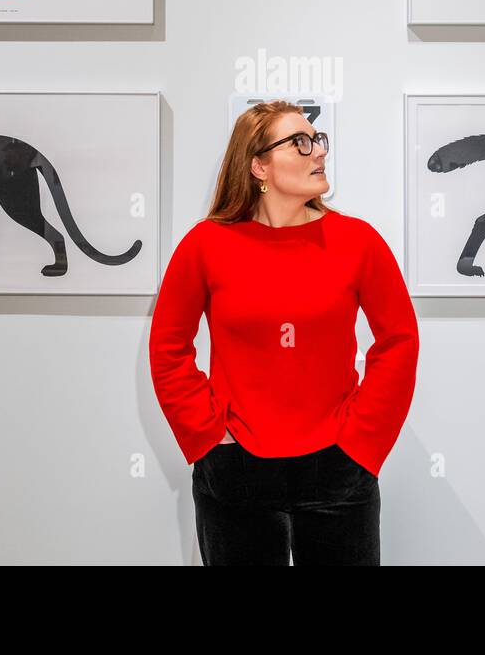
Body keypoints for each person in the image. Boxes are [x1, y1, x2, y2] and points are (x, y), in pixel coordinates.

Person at [148, 100, 419, 565]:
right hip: (237, 472)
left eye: (318, 141)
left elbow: (398, 341)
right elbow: (168, 347)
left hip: (338, 469)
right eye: (301, 143)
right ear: (258, 165)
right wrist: (209, 439)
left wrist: (362, 442)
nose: (319, 153)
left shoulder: (359, 242)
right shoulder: (205, 245)